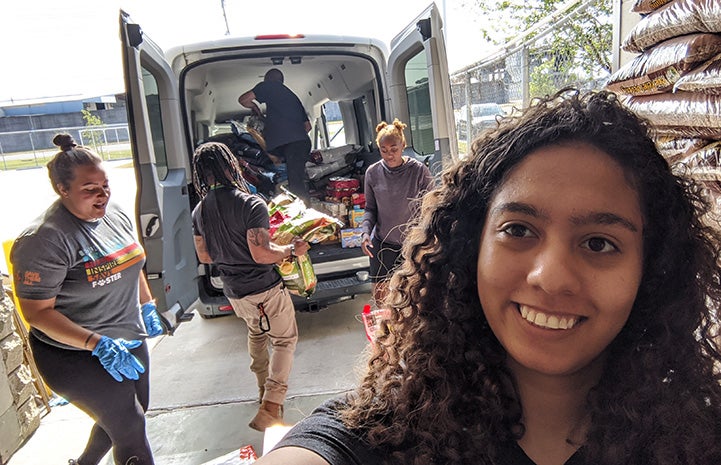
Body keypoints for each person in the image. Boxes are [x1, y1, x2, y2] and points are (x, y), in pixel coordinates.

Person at [255, 89, 721, 465]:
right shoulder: (384, 434)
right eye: (518, 230)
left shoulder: (699, 438)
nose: (551, 277)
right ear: (469, 249)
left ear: (653, 268)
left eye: (599, 243)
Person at [10, 134, 165, 465]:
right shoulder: (44, 240)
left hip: (127, 338)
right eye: (90, 188)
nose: (103, 194)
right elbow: (37, 312)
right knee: (130, 426)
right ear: (62, 189)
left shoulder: (114, 214)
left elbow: (130, 261)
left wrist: (147, 304)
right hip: (72, 354)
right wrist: (97, 344)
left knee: (131, 414)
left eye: (105, 184)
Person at [190, 141, 310, 432]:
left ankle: (262, 391)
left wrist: (232, 251)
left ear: (201, 175)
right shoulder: (251, 203)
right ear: (232, 165)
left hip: (234, 292)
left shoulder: (199, 212)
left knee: (257, 332)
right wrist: (292, 250)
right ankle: (271, 406)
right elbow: (260, 254)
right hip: (264, 288)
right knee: (283, 341)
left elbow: (205, 256)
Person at [360, 119, 433, 305]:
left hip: (413, 244)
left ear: (403, 145)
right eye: (384, 150)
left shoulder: (418, 171)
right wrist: (365, 233)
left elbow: (432, 207)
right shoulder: (372, 173)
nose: (389, 155)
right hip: (384, 243)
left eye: (394, 149)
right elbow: (370, 209)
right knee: (381, 299)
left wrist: (431, 238)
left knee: (415, 296)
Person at [238, 68, 312, 202]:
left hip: (292, 146)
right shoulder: (293, 97)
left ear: (267, 80)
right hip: (301, 143)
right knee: (296, 179)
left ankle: (304, 214)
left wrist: (254, 107)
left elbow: (243, 100)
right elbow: (308, 127)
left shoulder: (268, 86)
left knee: (296, 186)